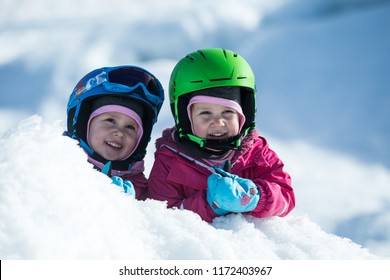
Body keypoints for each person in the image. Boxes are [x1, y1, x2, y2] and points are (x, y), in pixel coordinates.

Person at [148, 48, 295, 222]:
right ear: (185, 118)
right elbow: (163, 217)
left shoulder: (257, 154)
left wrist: (253, 196)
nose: (218, 122)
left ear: (244, 115)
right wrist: (211, 204)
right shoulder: (169, 162)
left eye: (227, 112)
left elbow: (286, 198)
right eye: (206, 114)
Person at [65, 65, 164, 200]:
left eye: (130, 127)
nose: (119, 132)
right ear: (82, 123)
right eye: (110, 120)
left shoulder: (141, 191)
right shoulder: (58, 165)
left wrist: (133, 208)